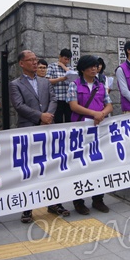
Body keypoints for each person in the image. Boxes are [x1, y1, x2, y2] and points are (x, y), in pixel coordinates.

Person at [9, 50, 70, 223]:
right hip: (29, 128)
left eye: (36, 60)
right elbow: (19, 106)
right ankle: (28, 209)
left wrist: (48, 116)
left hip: (47, 127)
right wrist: (39, 116)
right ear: (22, 63)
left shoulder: (45, 82)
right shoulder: (16, 84)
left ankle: (55, 203)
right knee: (30, 169)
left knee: (51, 166)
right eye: (31, 60)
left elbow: (53, 100)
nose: (35, 63)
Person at [66, 55, 113, 215]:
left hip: (98, 129)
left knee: (99, 164)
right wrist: (95, 113)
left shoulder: (100, 85)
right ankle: (79, 201)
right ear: (82, 69)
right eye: (91, 66)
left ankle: (98, 199)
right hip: (81, 129)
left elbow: (109, 104)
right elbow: (73, 106)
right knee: (80, 166)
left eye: (96, 66)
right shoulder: (74, 85)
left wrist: (102, 113)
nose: (95, 69)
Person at [47, 48, 73, 123]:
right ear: (60, 57)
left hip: (68, 99)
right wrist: (61, 79)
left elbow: (74, 77)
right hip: (57, 98)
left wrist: (64, 67)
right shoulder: (52, 66)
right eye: (65, 59)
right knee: (58, 120)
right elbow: (47, 81)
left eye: (68, 59)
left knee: (69, 120)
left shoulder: (69, 68)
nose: (66, 61)